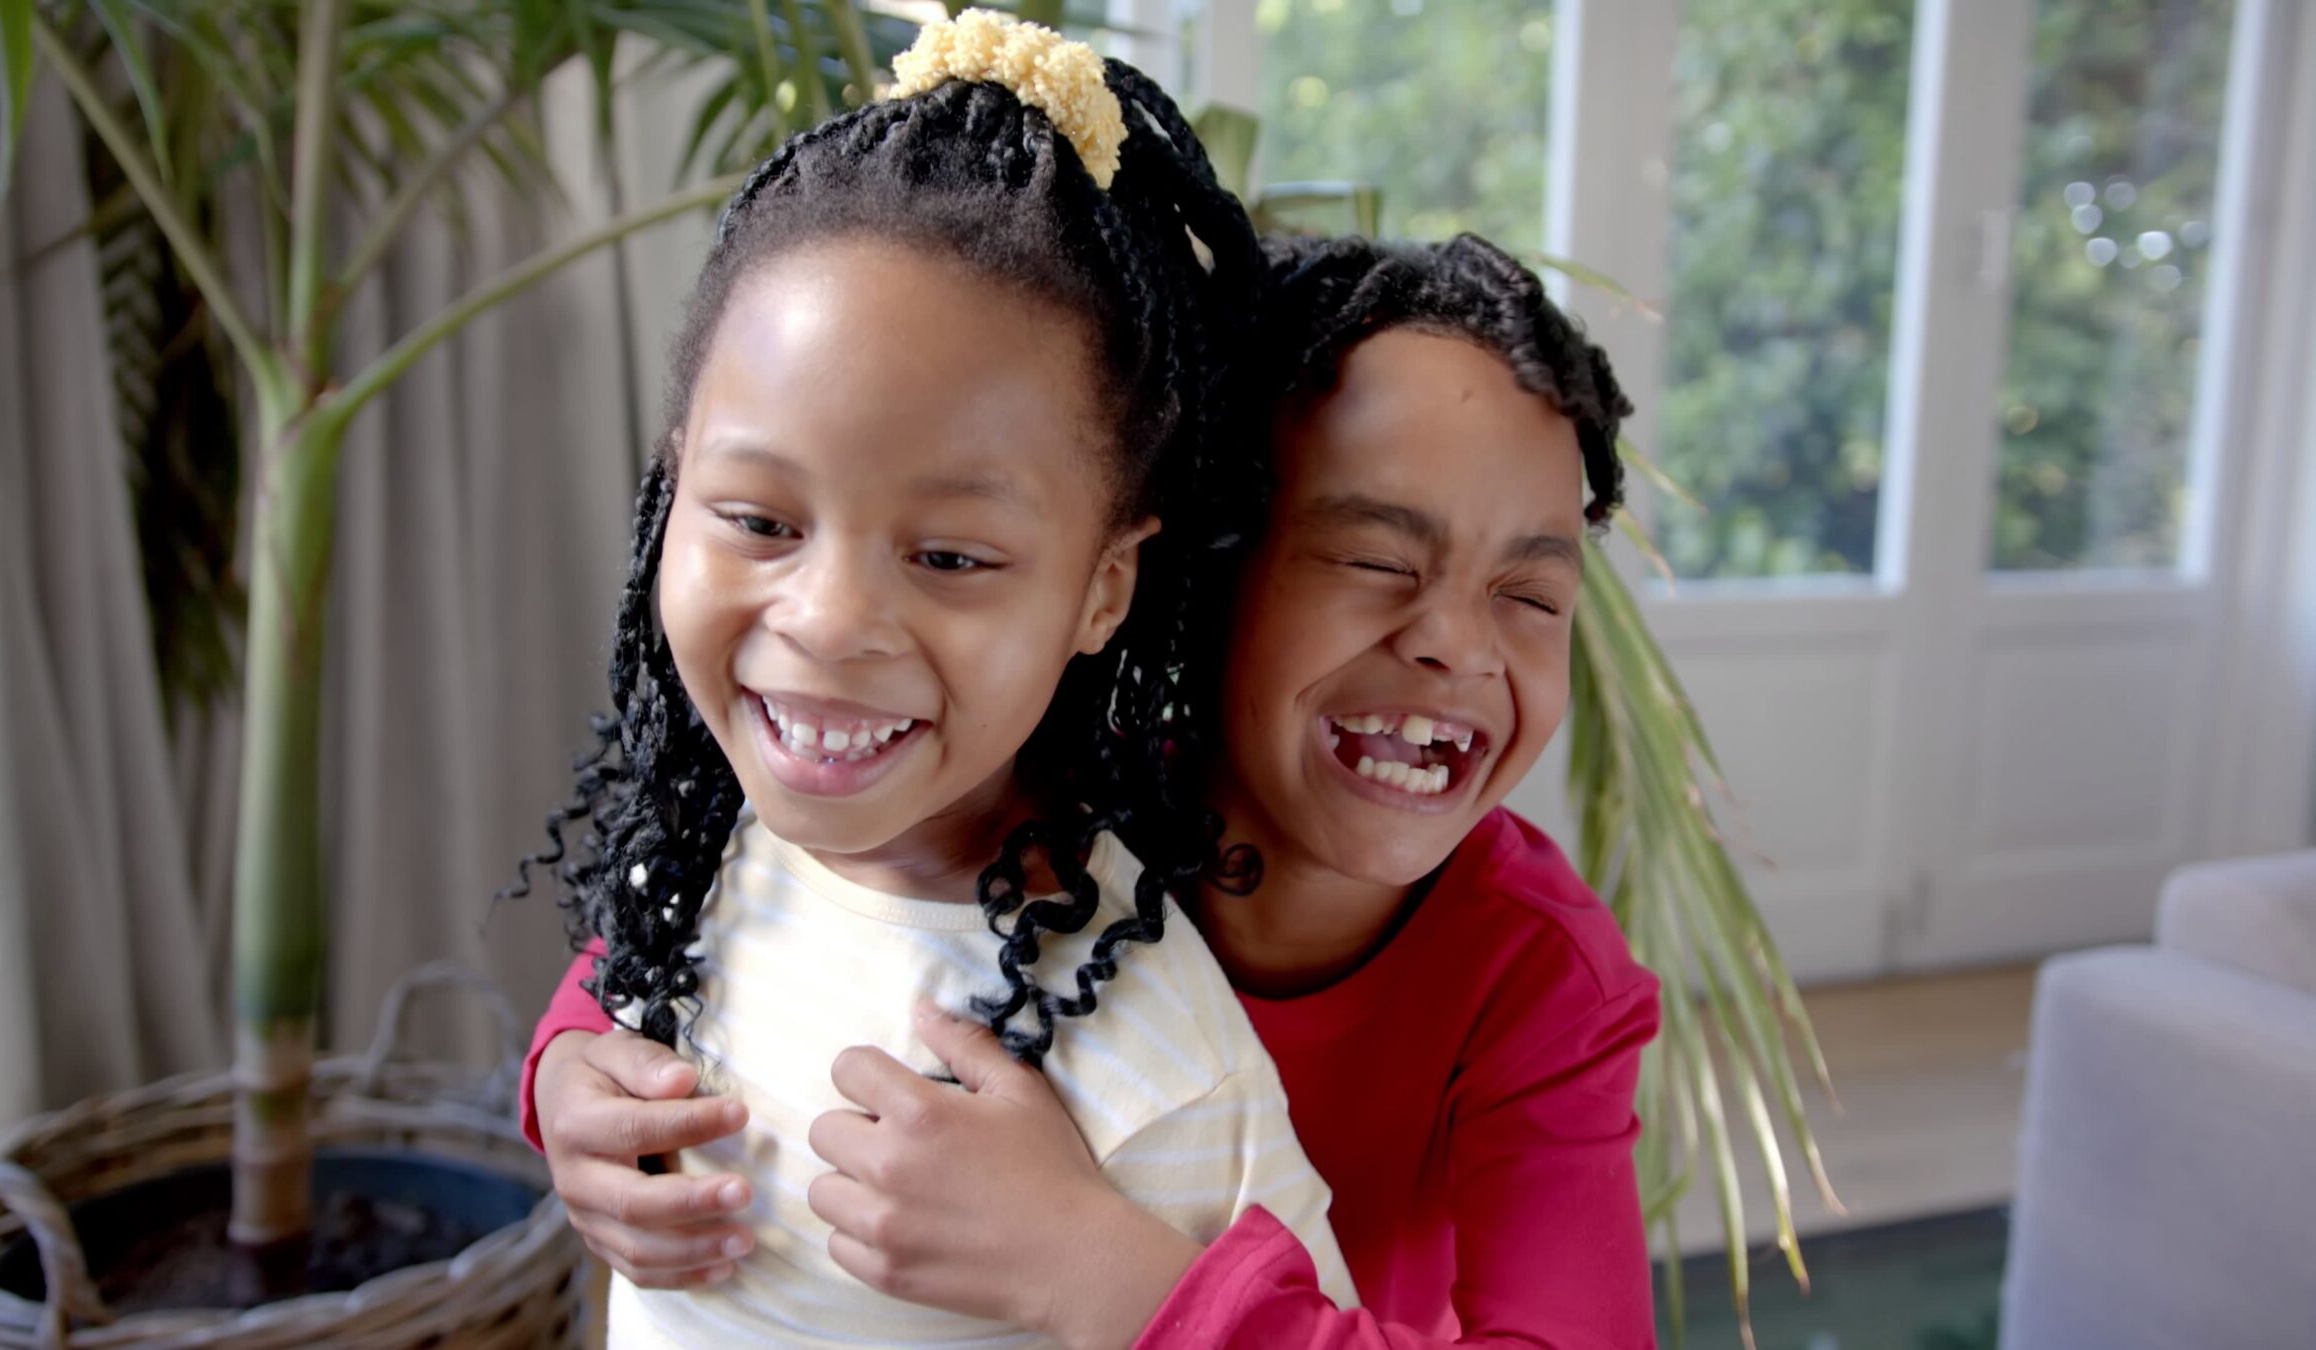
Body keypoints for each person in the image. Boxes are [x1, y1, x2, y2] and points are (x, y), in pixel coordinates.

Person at [527, 229, 1663, 1347]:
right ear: (1196, 571)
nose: (1458, 648)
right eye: (1376, 562)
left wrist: (1094, 1269)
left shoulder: (1537, 977)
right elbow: (727, 891)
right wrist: (576, 1063)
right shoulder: (1020, 793)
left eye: (1531, 596)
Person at [512, 12, 1359, 1347]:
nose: (833, 619)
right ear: (674, 487)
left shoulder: (1152, 1060)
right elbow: (618, 991)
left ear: (1101, 590)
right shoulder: (705, 852)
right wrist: (567, 1083)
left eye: (953, 553)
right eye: (759, 520)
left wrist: (1098, 1269)